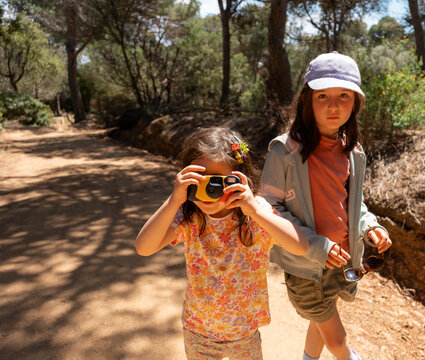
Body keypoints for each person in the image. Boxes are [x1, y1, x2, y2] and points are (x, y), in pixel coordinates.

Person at [260, 52, 393, 360]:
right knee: (337, 342)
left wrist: (369, 225)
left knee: (322, 316)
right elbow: (267, 209)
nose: (334, 106)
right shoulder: (285, 151)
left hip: (343, 260)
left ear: (356, 103)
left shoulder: (353, 151)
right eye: (323, 96)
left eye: (344, 95)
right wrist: (315, 245)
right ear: (308, 100)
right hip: (307, 264)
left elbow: (353, 205)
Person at [135, 127, 308, 360]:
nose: (208, 192)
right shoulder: (189, 218)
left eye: (217, 183)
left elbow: (301, 246)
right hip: (198, 333)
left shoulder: (255, 214)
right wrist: (174, 199)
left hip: (244, 334)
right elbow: (144, 247)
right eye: (199, 182)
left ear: (240, 179)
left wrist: (255, 209)